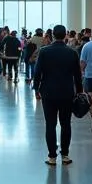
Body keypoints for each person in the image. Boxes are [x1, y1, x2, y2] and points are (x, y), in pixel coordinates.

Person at [32, 24, 83, 166]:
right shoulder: (72, 53)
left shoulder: (44, 52)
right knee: (66, 124)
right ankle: (65, 155)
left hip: (48, 92)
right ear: (65, 35)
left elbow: (38, 72)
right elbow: (77, 75)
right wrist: (79, 91)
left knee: (50, 124)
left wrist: (36, 88)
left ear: (53, 35)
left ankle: (52, 157)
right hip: (67, 93)